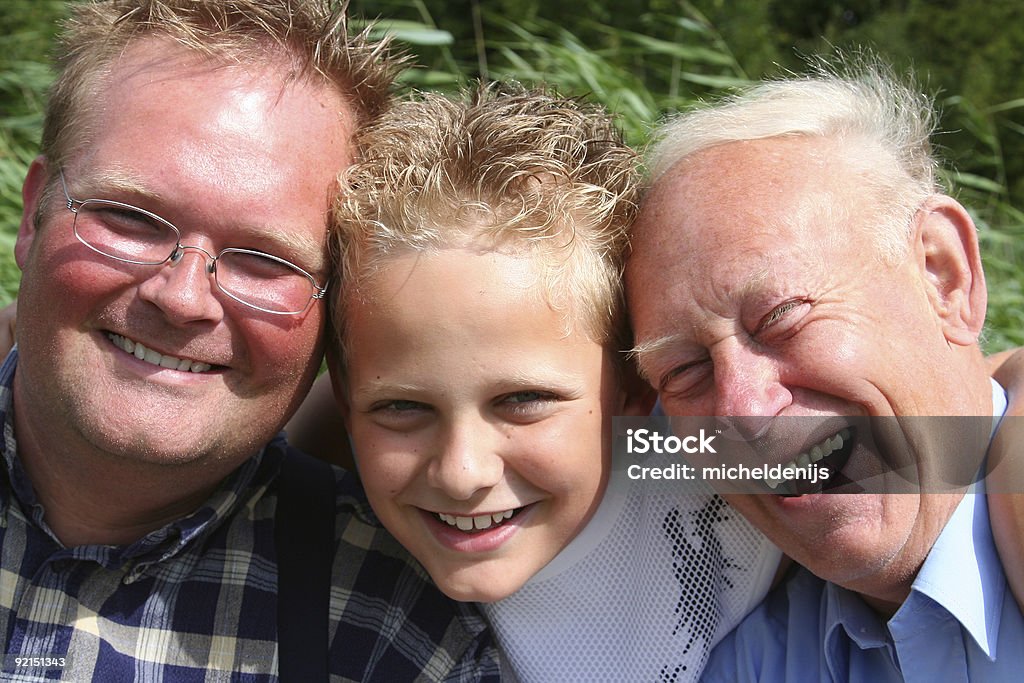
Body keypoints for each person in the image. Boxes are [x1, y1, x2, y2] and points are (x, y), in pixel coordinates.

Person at [2, 1, 498, 680]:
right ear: (34, 214)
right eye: (128, 218)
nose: (180, 298)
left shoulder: (399, 633)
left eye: (265, 261)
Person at [327, 83, 782, 681]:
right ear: (343, 400)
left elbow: (932, 460)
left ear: (636, 387)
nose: (463, 474)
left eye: (523, 400)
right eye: (402, 408)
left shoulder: (692, 455)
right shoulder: (336, 529)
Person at [625, 59, 1024, 681]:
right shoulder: (747, 664)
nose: (744, 412)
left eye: (782, 316)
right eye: (683, 370)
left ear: (944, 277)